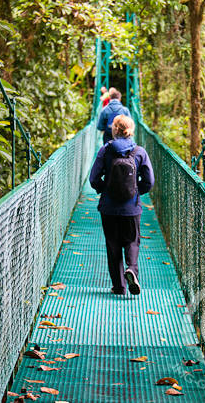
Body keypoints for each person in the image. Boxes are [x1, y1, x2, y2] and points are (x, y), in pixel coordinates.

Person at [90, 115, 155, 296]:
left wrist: (105, 190)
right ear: (130, 130)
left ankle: (119, 286)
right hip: (131, 208)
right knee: (132, 241)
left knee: (113, 245)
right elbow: (149, 181)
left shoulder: (105, 150)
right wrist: (135, 191)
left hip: (108, 208)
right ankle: (132, 270)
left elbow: (93, 179)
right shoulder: (140, 152)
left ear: (114, 130)